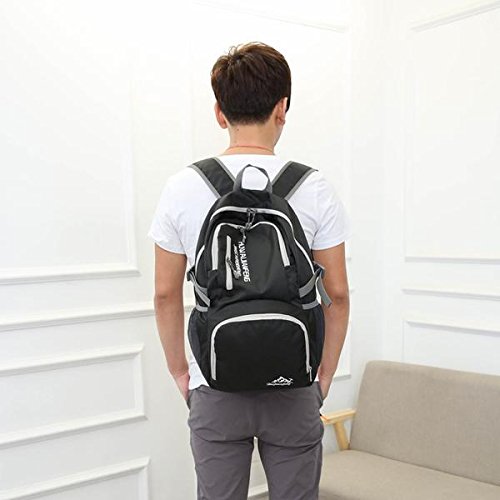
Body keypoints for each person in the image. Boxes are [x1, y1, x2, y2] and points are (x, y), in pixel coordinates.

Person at [148, 42, 351, 500]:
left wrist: (182, 373)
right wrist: (323, 377)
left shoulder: (182, 187)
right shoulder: (313, 187)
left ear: (220, 112)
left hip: (215, 382)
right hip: (294, 382)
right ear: (282, 108)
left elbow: (164, 295)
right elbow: (336, 295)